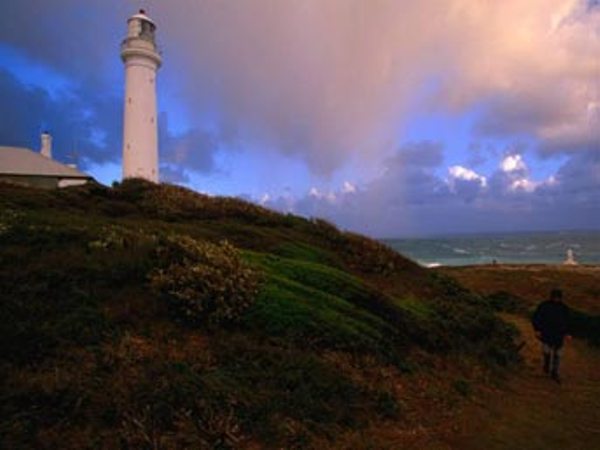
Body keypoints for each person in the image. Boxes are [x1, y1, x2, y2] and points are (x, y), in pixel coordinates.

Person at [531, 289, 571, 383]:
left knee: (558, 354)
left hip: (558, 334)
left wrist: (568, 333)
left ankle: (555, 372)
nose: (556, 299)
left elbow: (568, 321)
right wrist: (537, 330)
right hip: (546, 333)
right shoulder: (544, 306)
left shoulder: (564, 308)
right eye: (555, 297)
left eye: (558, 297)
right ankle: (546, 364)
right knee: (546, 351)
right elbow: (537, 317)